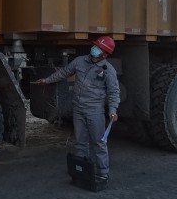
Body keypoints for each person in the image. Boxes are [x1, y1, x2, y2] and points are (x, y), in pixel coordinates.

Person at [35, 36, 120, 182]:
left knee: (99, 142)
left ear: (104, 54)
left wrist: (113, 109)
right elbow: (63, 72)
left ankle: (103, 173)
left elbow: (114, 92)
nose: (94, 49)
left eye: (99, 48)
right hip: (78, 108)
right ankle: (82, 169)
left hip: (94, 110)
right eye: (95, 46)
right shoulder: (80, 61)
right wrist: (47, 80)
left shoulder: (108, 70)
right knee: (80, 141)